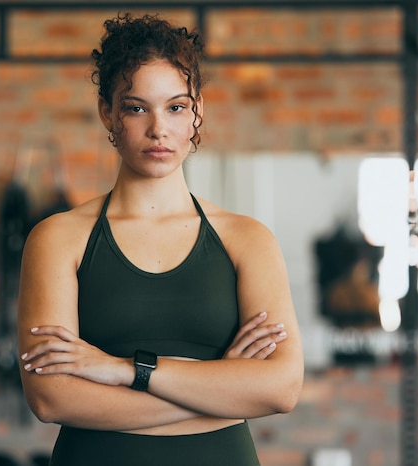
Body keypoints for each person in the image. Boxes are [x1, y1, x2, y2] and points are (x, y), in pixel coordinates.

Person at [17, 13, 304, 466]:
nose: (159, 129)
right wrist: (220, 389)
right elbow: (51, 399)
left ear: (198, 111)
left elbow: (282, 388)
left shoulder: (248, 240)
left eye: (176, 107)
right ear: (107, 112)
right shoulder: (57, 239)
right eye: (136, 107)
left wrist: (119, 370)